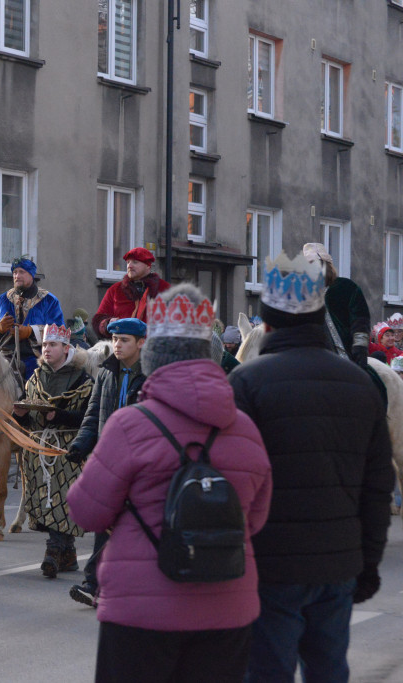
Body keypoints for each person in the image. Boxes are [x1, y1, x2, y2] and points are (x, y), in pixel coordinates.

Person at [68, 283, 273, 682]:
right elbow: (256, 519)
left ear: (154, 356)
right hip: (228, 608)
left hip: (140, 614)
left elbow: (85, 511)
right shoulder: (246, 430)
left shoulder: (131, 425)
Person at [228, 252, 394, 682]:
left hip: (268, 567)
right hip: (337, 566)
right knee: (328, 672)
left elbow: (231, 483)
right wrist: (368, 564)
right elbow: (378, 488)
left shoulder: (245, 384)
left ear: (265, 324)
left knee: (266, 672)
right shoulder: (361, 387)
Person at [67, 317, 147, 607]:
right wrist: (80, 445)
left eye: (124, 340)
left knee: (135, 525)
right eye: (115, 339)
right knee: (105, 521)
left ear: (141, 343)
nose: (117, 345)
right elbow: (92, 415)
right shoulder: (105, 373)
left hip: (140, 464)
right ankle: (94, 585)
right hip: (109, 460)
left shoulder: (151, 375)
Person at [13, 324, 94, 579]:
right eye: (45, 345)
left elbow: (88, 417)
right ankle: (68, 555)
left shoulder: (83, 379)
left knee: (63, 500)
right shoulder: (35, 378)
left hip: (69, 448)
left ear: (66, 349)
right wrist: (20, 416)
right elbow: (29, 423)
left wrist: (61, 415)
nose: (46, 349)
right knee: (47, 500)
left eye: (53, 345)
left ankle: (53, 552)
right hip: (40, 450)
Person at [0, 256, 65, 379]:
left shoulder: (49, 300)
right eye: (14, 272)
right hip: (4, 356)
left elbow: (59, 331)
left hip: (37, 358)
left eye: (21, 272)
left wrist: (31, 331)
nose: (17, 276)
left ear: (31, 274)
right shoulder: (3, 299)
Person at [302, 242, 370, 367]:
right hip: (313, 359)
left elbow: (361, 322)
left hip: (348, 357)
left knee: (374, 384)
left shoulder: (347, 288)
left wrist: (359, 350)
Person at [91, 248, 170, 338]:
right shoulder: (115, 290)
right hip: (122, 347)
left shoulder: (165, 289)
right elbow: (98, 320)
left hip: (153, 348)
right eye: (128, 262)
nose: (129, 266)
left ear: (148, 266)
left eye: (135, 262)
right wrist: (108, 323)